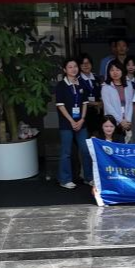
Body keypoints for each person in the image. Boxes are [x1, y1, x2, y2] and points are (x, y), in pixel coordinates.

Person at [54, 58, 93, 189]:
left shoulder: (81, 83)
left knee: (85, 150)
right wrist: (71, 121)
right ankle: (65, 179)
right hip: (66, 123)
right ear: (65, 70)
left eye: (75, 66)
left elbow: (85, 103)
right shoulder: (61, 85)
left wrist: (82, 119)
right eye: (70, 67)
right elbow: (60, 105)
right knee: (66, 152)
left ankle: (88, 177)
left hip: (81, 123)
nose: (73, 69)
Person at [100, 61, 134, 142]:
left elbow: (130, 104)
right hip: (112, 122)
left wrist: (128, 121)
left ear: (122, 71)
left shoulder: (128, 85)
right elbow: (108, 107)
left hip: (127, 122)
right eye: (112, 70)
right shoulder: (106, 87)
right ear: (108, 72)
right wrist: (121, 121)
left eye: (117, 70)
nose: (115, 72)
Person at [79, 54, 102, 136]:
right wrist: (95, 103)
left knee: (96, 136)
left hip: (97, 112)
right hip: (84, 112)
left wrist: (100, 103)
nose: (86, 65)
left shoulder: (96, 78)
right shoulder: (77, 79)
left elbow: (101, 93)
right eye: (83, 63)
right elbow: (79, 98)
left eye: (88, 63)